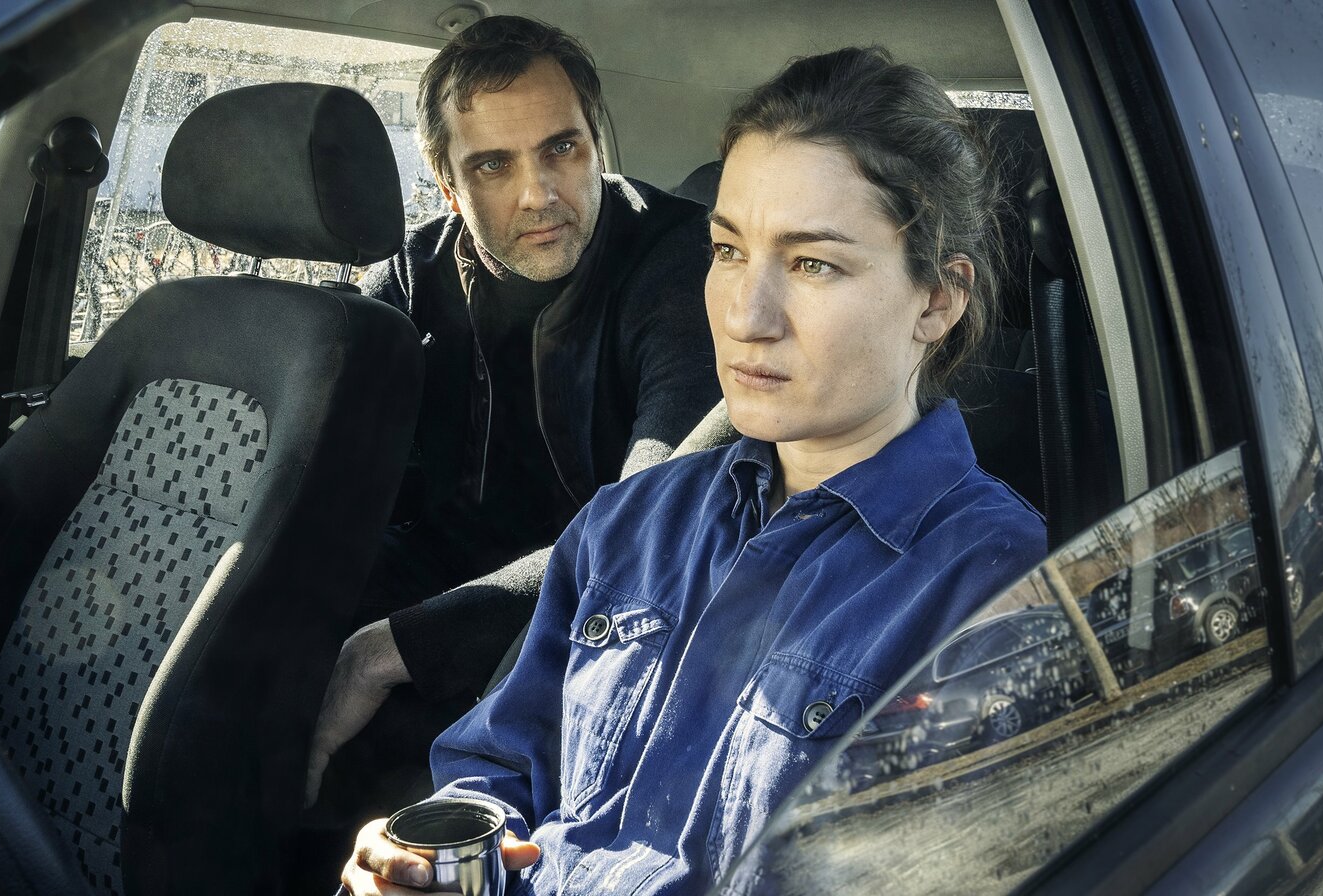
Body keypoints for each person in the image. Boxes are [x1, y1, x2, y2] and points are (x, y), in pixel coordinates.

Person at [339, 46, 1049, 896]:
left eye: (812, 263)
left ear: (937, 299)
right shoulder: (630, 522)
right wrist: (429, 858)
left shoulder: (998, 584)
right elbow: (498, 767)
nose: (746, 316)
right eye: (727, 249)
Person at [303, 17, 720, 813]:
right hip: (441, 590)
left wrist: (386, 651)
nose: (540, 194)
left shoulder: (676, 266)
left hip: (610, 629)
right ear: (446, 181)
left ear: (596, 140)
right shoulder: (413, 278)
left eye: (562, 148)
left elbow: (650, 529)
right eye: (494, 164)